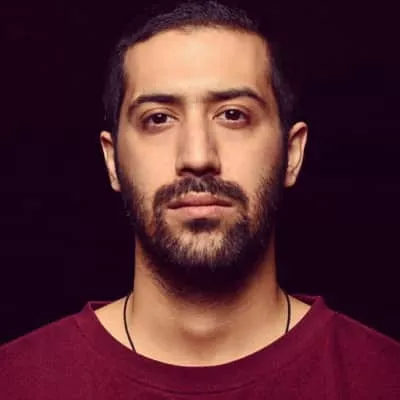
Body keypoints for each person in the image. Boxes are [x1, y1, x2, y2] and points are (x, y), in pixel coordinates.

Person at [1, 1, 399, 398]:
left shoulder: (384, 379)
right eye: (158, 118)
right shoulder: (16, 381)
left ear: (292, 154)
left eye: (233, 115)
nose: (197, 156)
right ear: (112, 161)